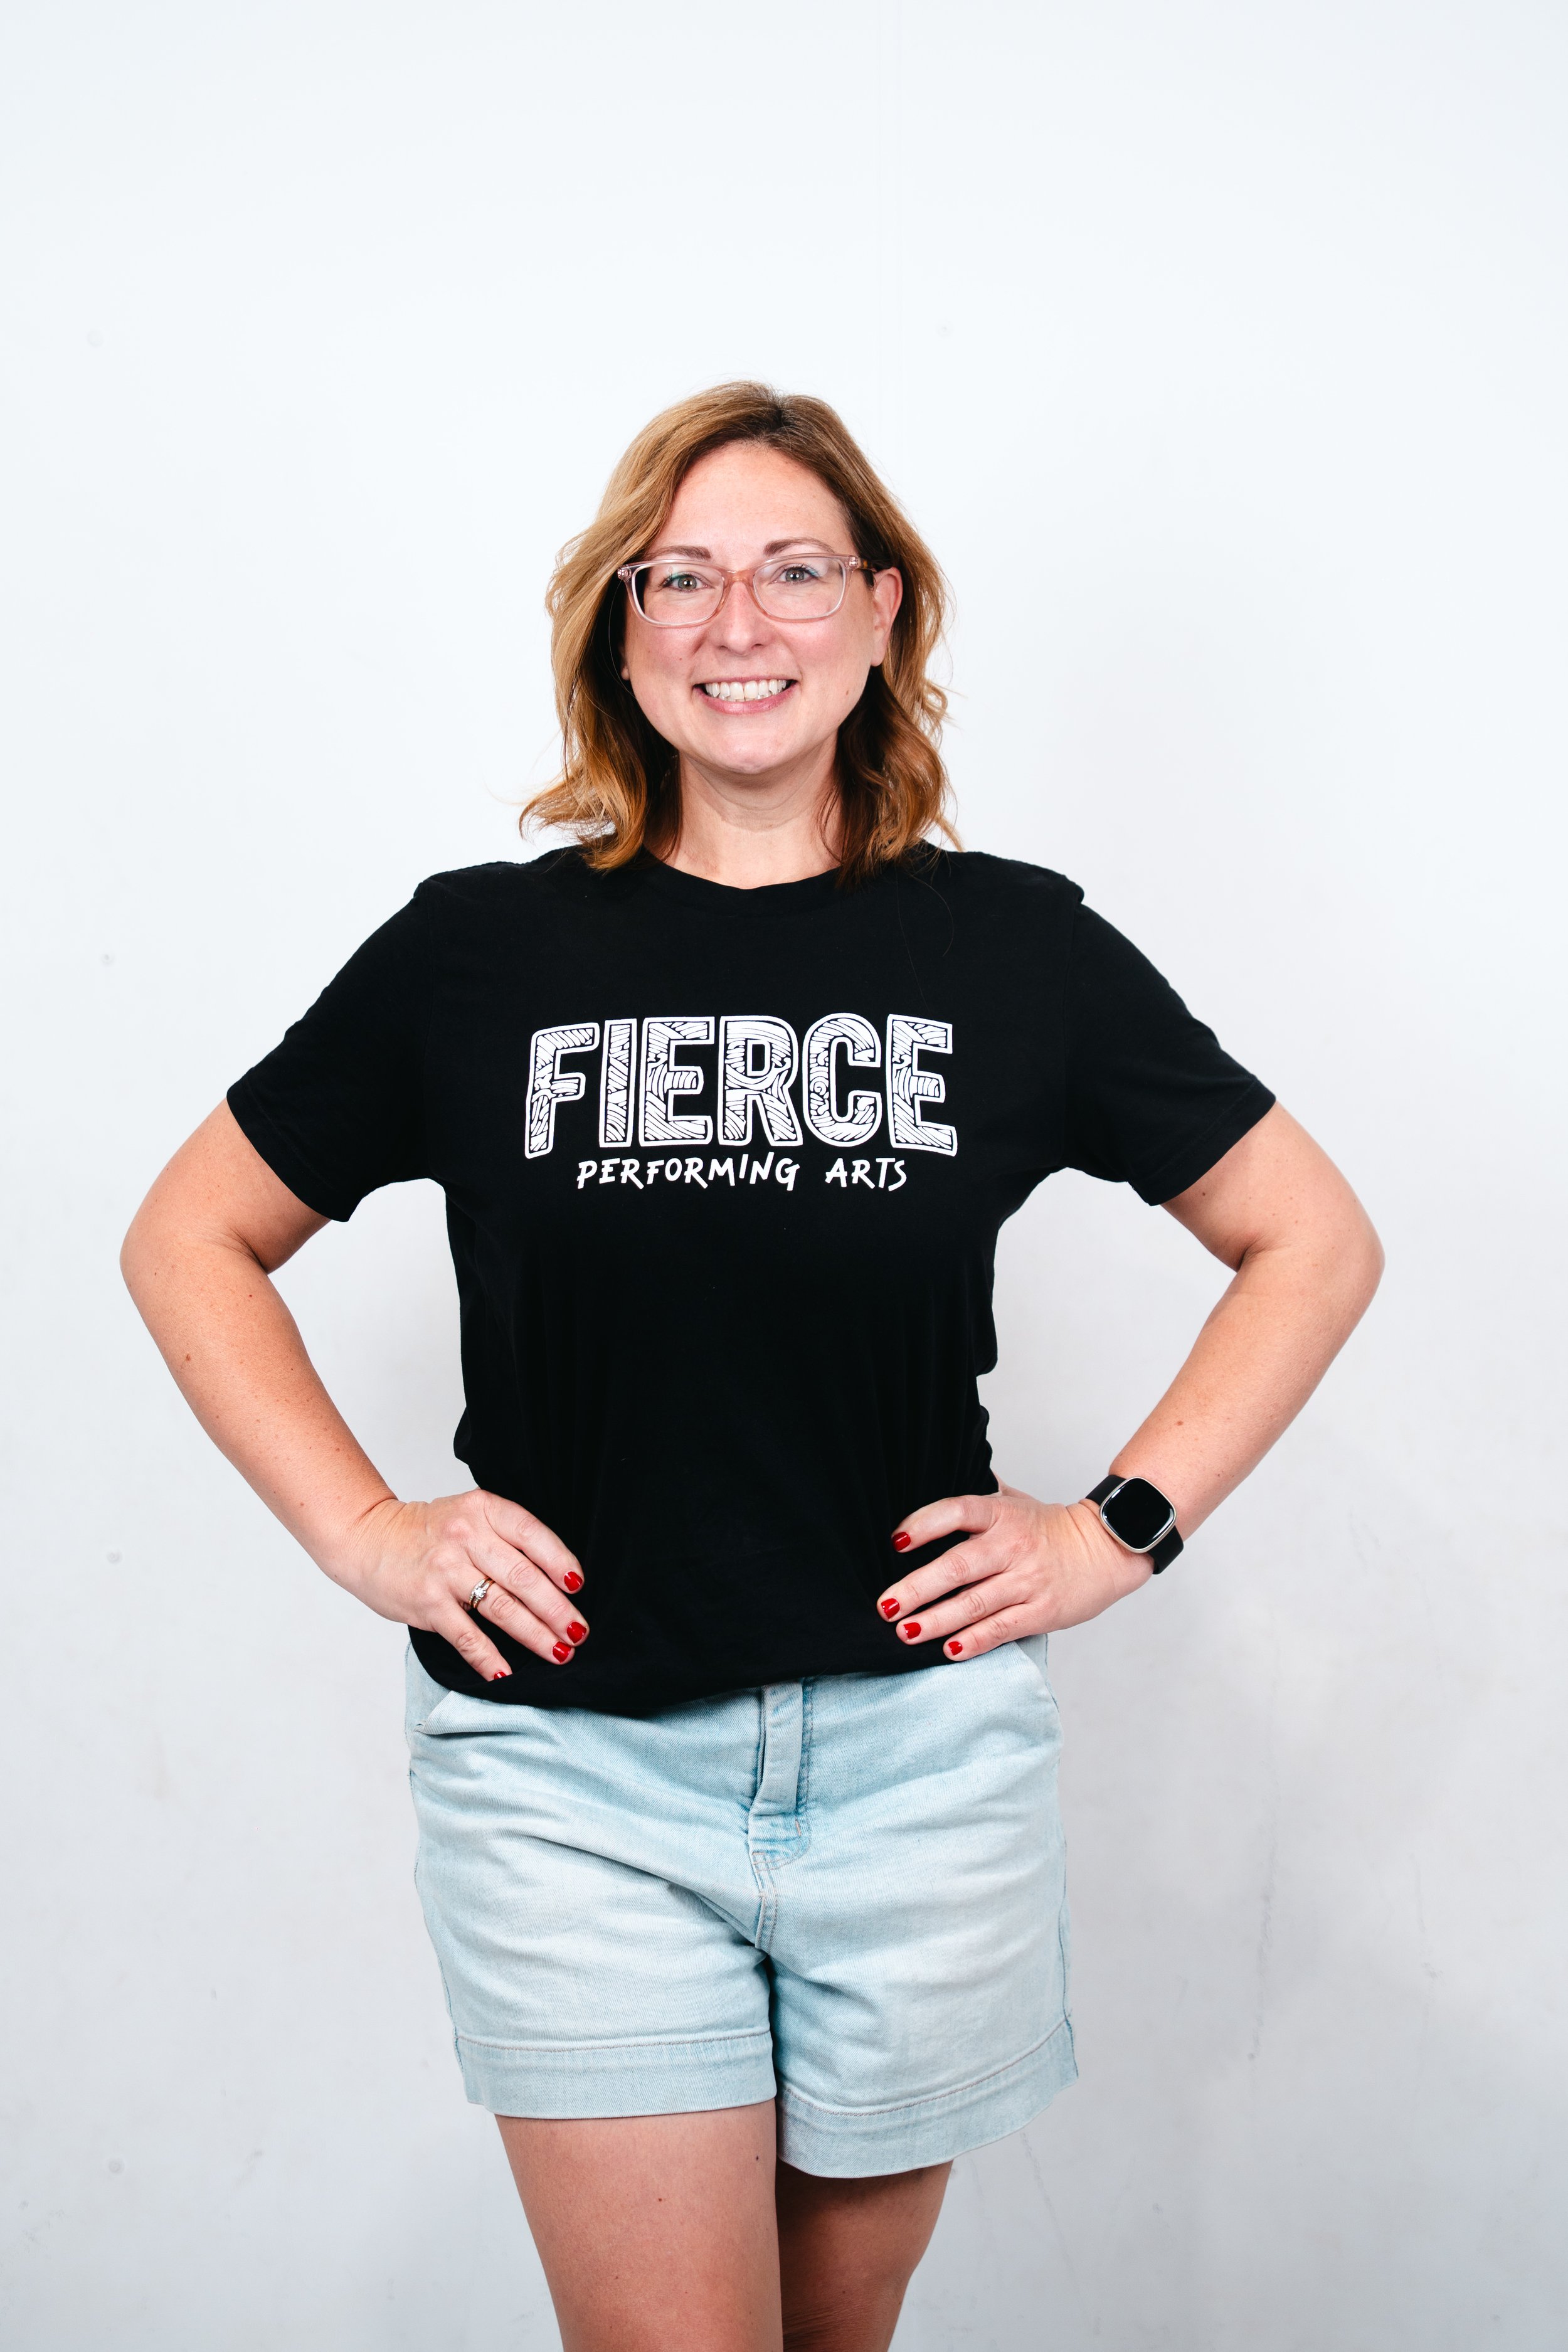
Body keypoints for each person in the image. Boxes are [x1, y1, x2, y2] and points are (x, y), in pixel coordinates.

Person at [120, 381, 1382, 2352]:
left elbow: (1308, 1236)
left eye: (795, 571)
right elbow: (188, 1233)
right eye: (680, 577)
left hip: (920, 1765)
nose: (738, 623)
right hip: (567, 1768)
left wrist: (1112, 1532)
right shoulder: (476, 957)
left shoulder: (1013, 952)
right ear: (618, 630)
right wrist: (366, 1530)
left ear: (883, 612)